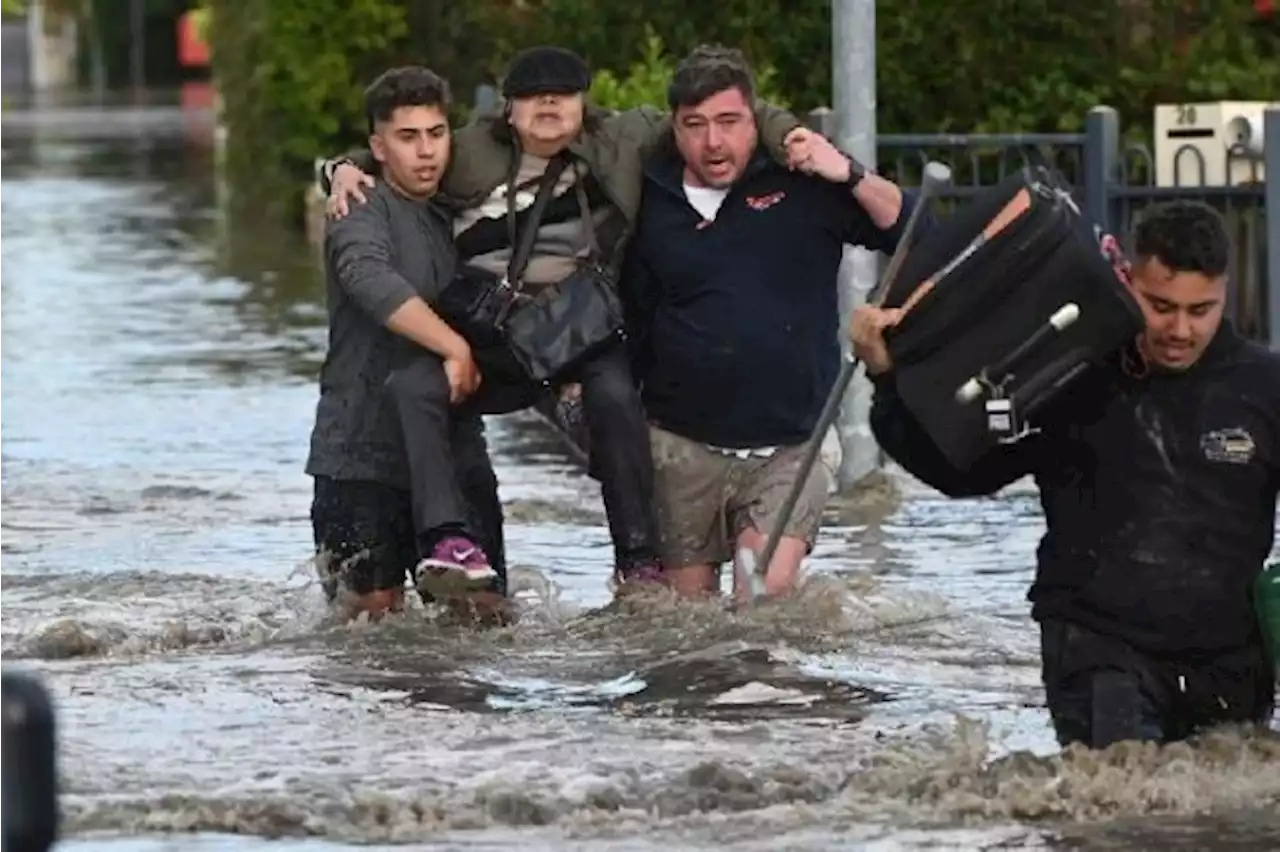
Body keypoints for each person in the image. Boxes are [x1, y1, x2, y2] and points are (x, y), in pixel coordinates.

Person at [322, 46, 809, 595]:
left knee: (615, 394)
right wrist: (339, 170)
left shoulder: (621, 138)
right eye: (533, 96)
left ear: (584, 105)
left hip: (577, 324)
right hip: (491, 329)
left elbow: (725, 110)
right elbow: (400, 149)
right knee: (415, 382)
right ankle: (446, 537)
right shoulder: (464, 151)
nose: (548, 103)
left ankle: (637, 558)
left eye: (563, 94)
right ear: (508, 109)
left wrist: (792, 135)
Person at [856, 200, 1280, 748]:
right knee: (1116, 817)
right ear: (1128, 279)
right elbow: (962, 472)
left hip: (1230, 662)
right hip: (1098, 647)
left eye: (1201, 310)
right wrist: (887, 383)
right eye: (1160, 306)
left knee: (1222, 823)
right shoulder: (1072, 370)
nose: (1180, 329)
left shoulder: (1265, 388)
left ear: (1226, 293)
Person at [623, 45, 930, 603]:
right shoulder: (646, 192)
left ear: (754, 121)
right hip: (679, 446)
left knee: (762, 599)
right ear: (674, 128)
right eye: (695, 125)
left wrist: (850, 172)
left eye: (728, 123)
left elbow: (912, 227)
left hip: (792, 444)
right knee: (684, 629)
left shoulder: (801, 184)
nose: (713, 142)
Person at [307, 65, 507, 623]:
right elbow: (369, 278)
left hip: (456, 446)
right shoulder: (358, 206)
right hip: (359, 455)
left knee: (487, 618)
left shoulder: (460, 207)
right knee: (369, 629)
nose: (426, 152)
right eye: (408, 137)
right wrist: (454, 347)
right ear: (379, 145)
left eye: (436, 135)